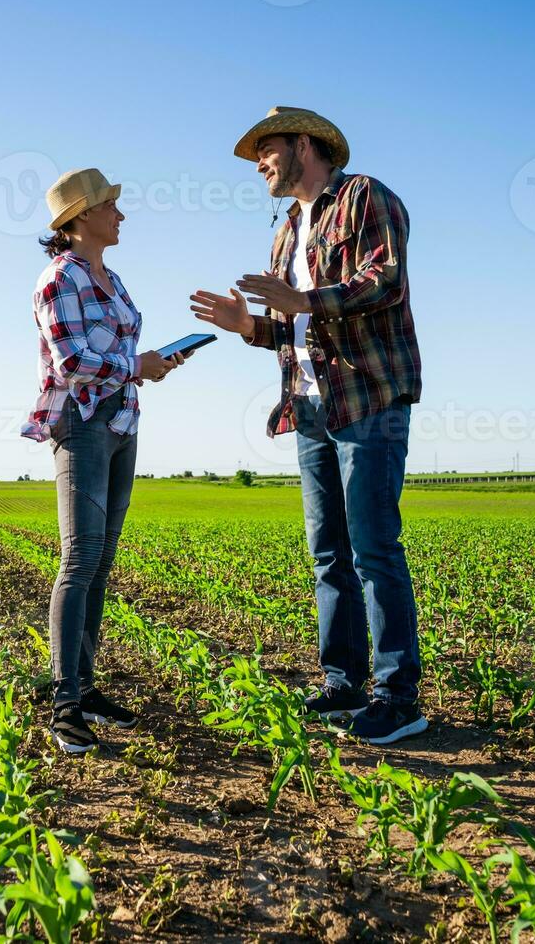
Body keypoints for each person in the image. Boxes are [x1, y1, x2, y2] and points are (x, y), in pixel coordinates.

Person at [189, 107, 427, 744]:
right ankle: (342, 684)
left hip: (368, 397)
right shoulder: (288, 230)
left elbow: (386, 280)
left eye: (265, 151)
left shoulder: (364, 197)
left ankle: (398, 695)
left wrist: (305, 301)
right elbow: (296, 329)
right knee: (328, 551)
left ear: (303, 144)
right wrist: (251, 327)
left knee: (374, 546)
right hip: (310, 404)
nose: (259, 165)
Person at [22, 167, 186, 755]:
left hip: (120, 422)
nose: (120, 215)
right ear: (81, 218)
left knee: (102, 560)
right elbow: (70, 363)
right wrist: (136, 366)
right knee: (81, 556)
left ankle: (86, 690)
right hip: (83, 425)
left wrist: (150, 364)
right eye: (111, 207)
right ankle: (65, 703)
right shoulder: (58, 278)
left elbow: (116, 351)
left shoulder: (110, 277)